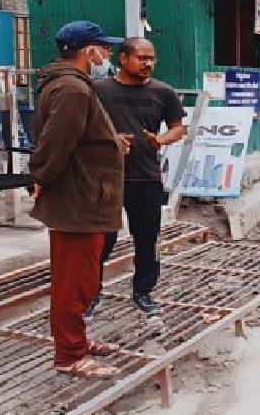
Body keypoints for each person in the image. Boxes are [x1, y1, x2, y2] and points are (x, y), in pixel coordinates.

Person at [28, 20, 126, 379]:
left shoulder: (71, 86)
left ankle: (77, 340)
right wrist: (39, 177)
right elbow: (56, 143)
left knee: (81, 278)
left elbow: (76, 138)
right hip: (79, 199)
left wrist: (110, 143)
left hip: (85, 194)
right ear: (89, 51)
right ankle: (69, 354)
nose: (108, 55)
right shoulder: (73, 90)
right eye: (105, 49)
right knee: (75, 280)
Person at [88, 38, 186, 318]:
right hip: (106, 177)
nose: (147, 64)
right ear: (122, 58)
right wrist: (109, 139)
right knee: (101, 240)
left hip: (145, 177)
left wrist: (162, 140)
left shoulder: (163, 92)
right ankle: (91, 293)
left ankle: (143, 292)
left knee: (146, 239)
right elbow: (83, 125)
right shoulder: (98, 90)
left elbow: (178, 128)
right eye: (141, 58)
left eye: (151, 58)